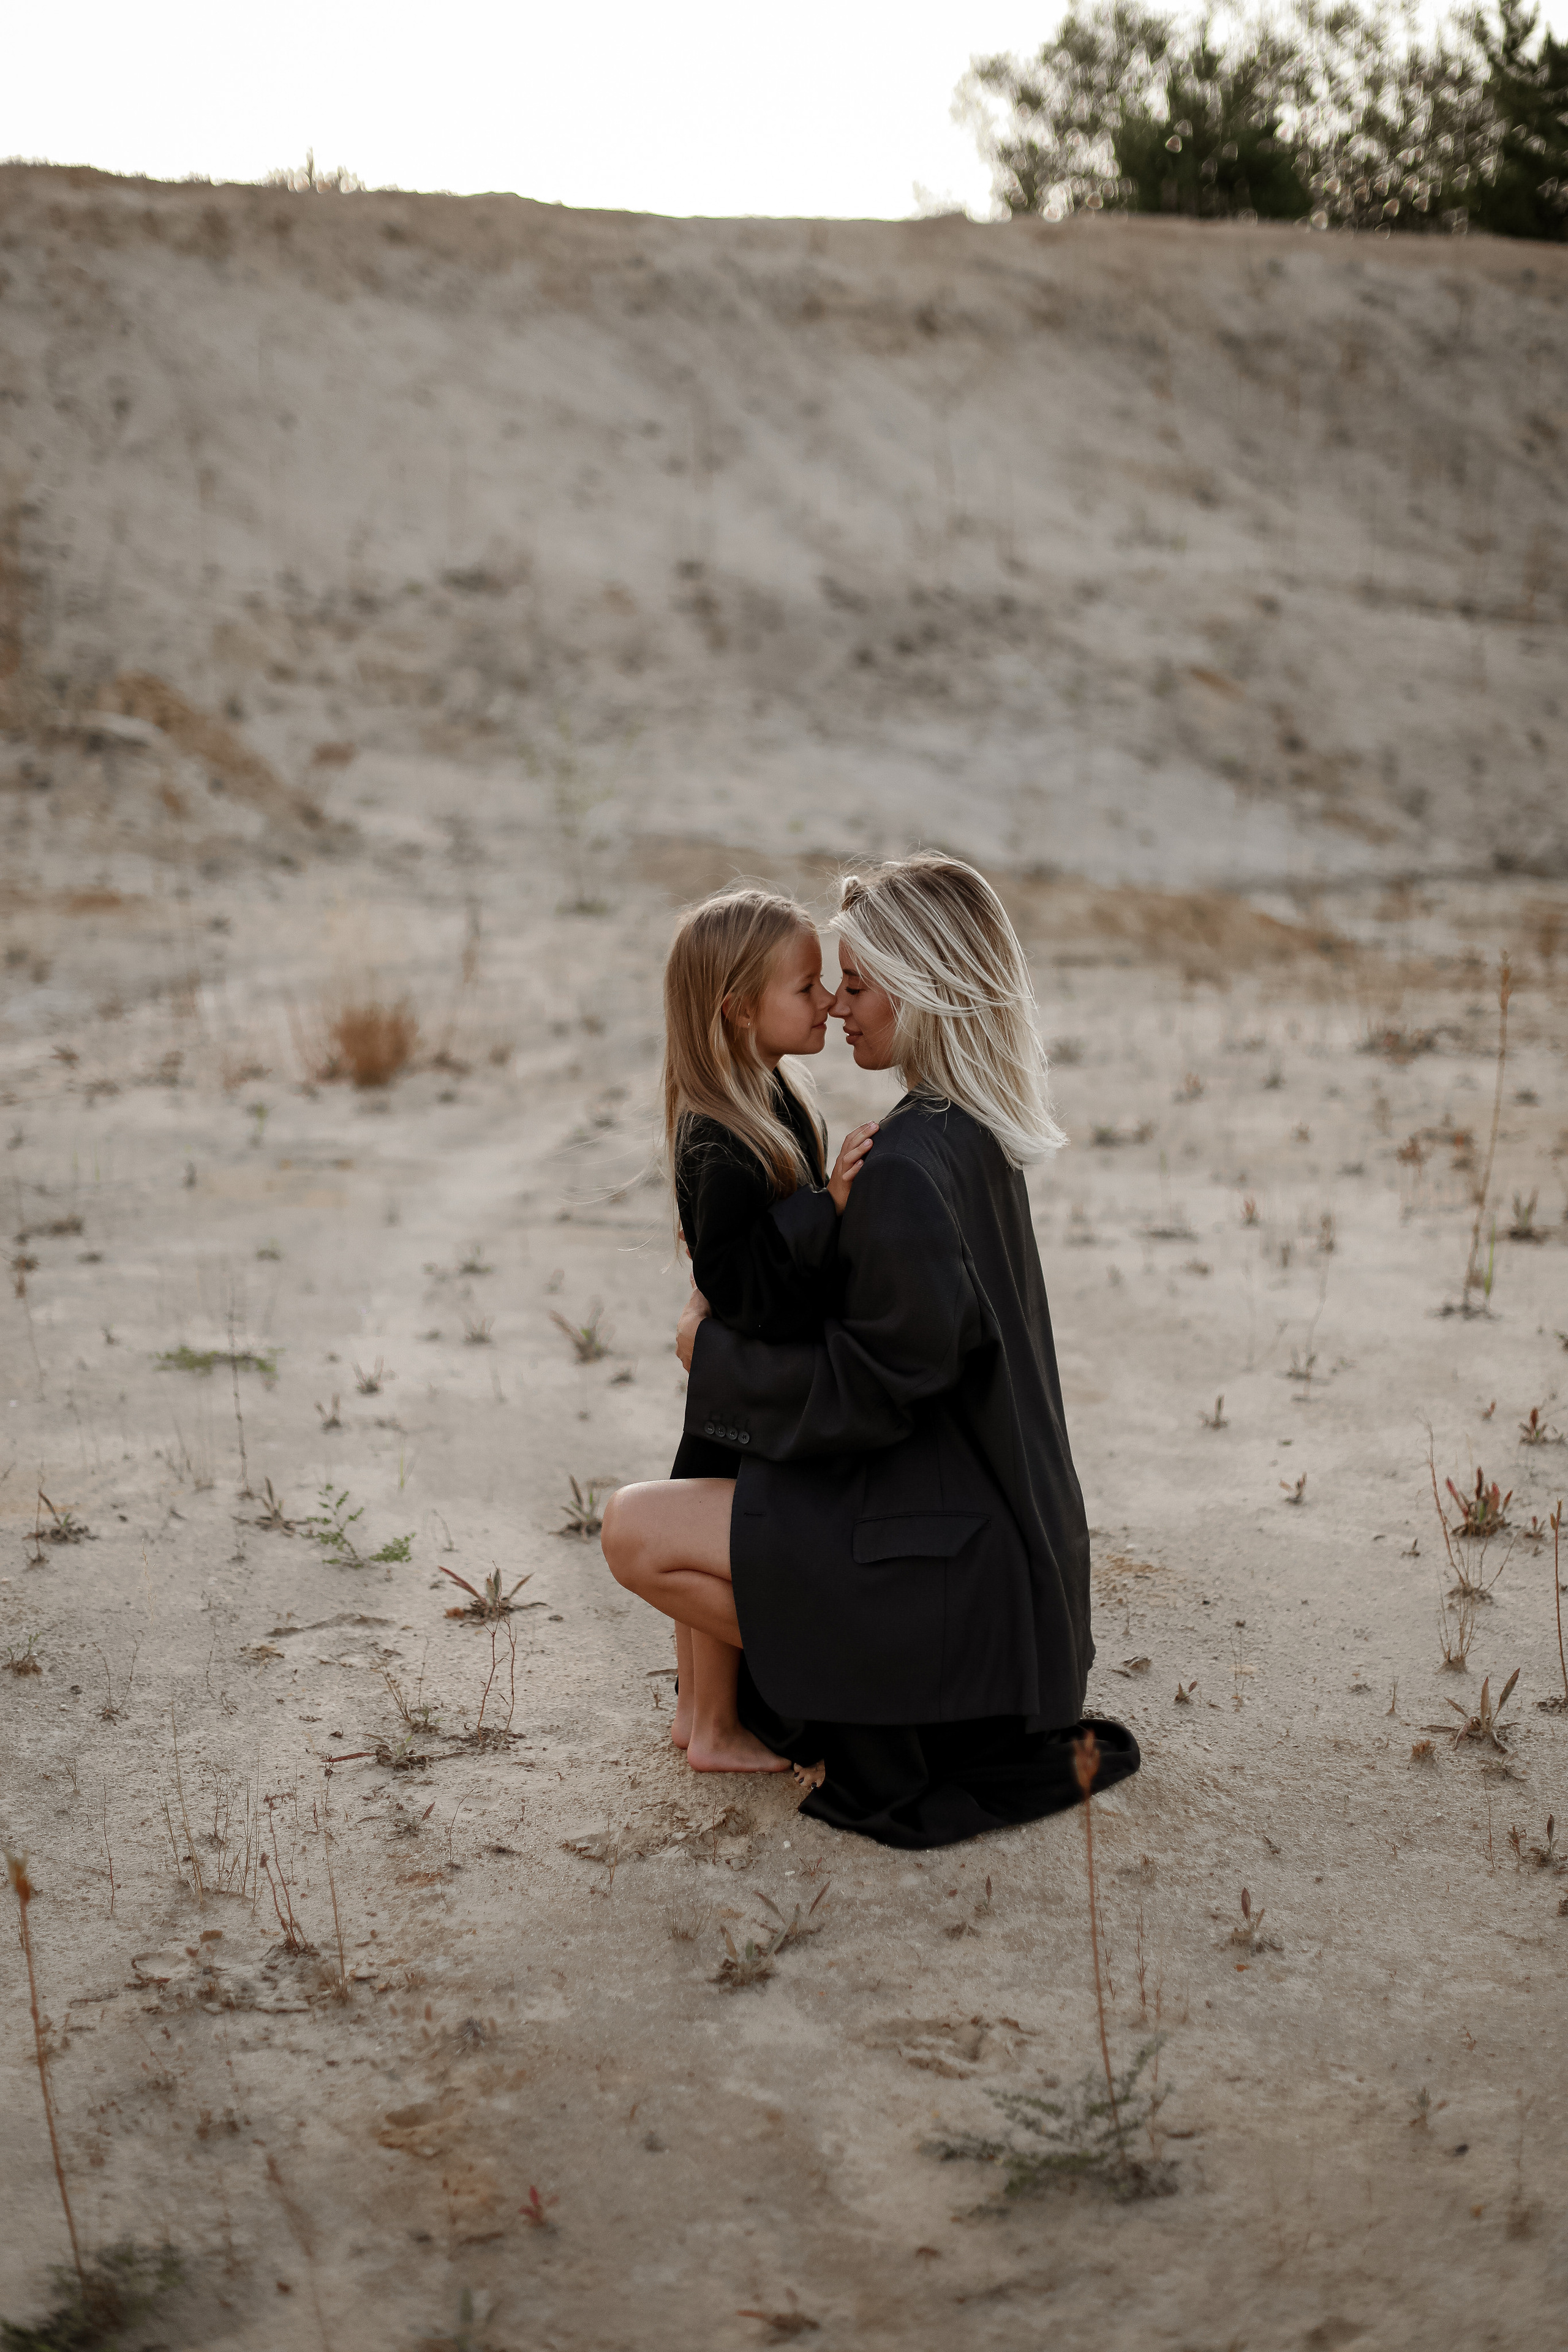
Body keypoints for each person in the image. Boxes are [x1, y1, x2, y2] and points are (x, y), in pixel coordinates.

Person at [602, 852, 1139, 1847]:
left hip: (963, 1596)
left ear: (920, 990)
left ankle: (872, 1701)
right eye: (828, 985)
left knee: (633, 1530)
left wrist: (706, 1354)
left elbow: (875, 1389)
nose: (838, 1007)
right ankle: (739, 1707)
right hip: (1009, 1574)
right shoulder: (968, 1131)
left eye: (854, 984)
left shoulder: (906, 1168)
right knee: (713, 1493)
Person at [657, 885, 877, 1771]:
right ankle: (713, 1726)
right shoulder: (719, 1135)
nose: (827, 1000)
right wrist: (831, 1206)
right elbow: (738, 1282)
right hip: (743, 1391)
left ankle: (695, 1714)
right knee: (720, 1552)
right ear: (740, 1009)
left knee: (709, 1541)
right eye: (806, 986)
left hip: (744, 1386)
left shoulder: (776, 1093)